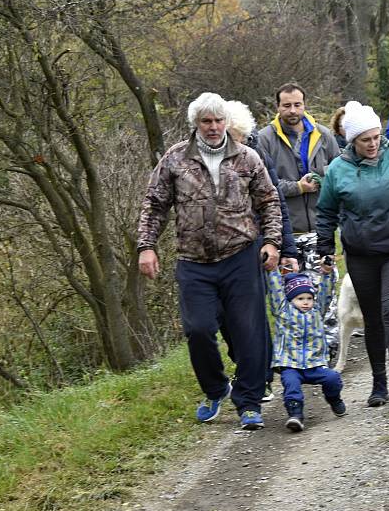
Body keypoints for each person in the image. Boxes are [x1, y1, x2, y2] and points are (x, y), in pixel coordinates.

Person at [138, 92, 282, 431]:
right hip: (194, 261)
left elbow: (269, 201)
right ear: (196, 125)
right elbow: (154, 204)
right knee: (198, 329)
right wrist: (147, 246)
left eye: (218, 121)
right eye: (207, 121)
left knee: (249, 332)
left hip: (241, 256)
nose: (214, 127)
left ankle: (249, 403)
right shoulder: (175, 159)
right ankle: (216, 389)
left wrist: (273, 242)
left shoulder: (247, 158)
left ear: (226, 123)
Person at [317, 101, 389, 412]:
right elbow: (326, 212)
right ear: (352, 140)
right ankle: (379, 382)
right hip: (360, 254)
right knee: (371, 319)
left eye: (376, 137)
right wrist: (325, 248)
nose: (372, 145)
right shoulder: (338, 169)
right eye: (364, 140)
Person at [223, 100, 299, 401]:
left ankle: (261, 375)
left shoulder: (255, 157)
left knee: (251, 315)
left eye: (234, 136)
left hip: (254, 246)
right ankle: (247, 366)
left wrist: (285, 247)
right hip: (213, 254)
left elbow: (276, 203)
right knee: (221, 317)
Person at [266, 268, 346, 432]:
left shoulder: (317, 311)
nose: (305, 302)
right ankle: (295, 415)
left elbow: (325, 294)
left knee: (332, 378)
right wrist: (272, 270)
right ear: (290, 299)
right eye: (300, 298)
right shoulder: (283, 312)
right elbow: (275, 292)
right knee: (291, 385)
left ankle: (334, 399)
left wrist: (326, 274)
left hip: (315, 364)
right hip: (291, 365)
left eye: (309, 298)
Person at [257, 83, 340, 234]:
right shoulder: (264, 139)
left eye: (297, 105)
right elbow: (263, 185)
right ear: (278, 106)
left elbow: (339, 174)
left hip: (322, 227)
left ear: (304, 105)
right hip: (283, 229)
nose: (293, 110)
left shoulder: (324, 135)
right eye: (286, 105)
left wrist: (322, 180)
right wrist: (298, 187)